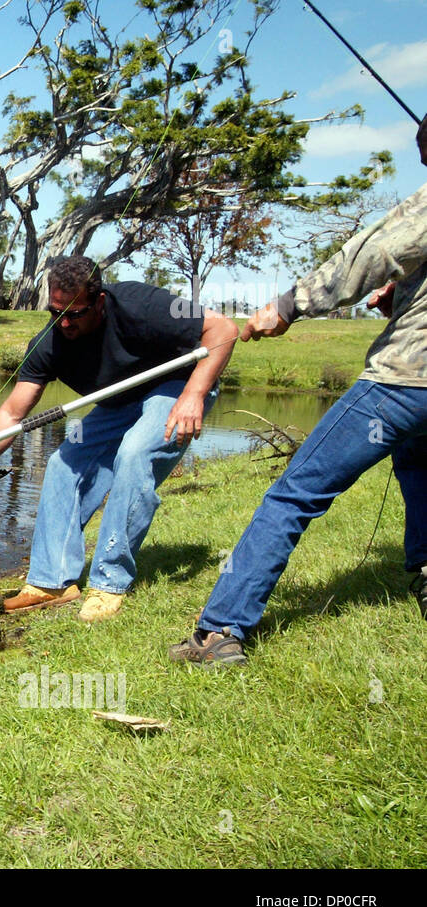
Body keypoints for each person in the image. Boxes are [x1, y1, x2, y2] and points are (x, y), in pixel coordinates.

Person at [172, 116, 427, 668]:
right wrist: (402, 293)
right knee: (420, 465)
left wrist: (288, 305)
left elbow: (375, 252)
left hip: (407, 380)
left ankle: (220, 631)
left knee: (294, 495)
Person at [0, 255, 237, 621]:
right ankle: (51, 581)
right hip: (120, 401)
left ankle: (109, 584)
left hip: (177, 386)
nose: (65, 323)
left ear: (99, 301)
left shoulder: (142, 304)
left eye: (75, 313)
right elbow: (11, 413)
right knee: (63, 464)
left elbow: (224, 329)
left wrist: (195, 394)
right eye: (56, 313)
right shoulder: (49, 342)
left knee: (135, 454)